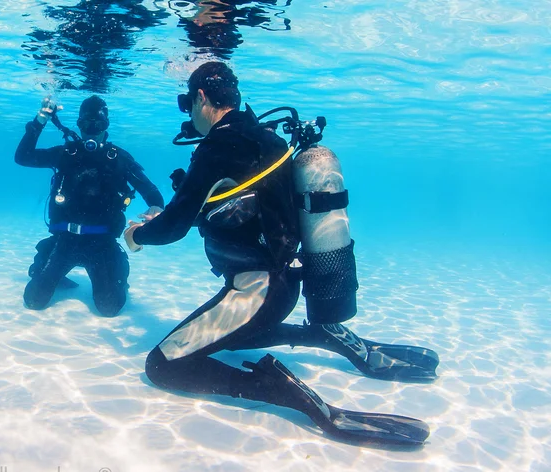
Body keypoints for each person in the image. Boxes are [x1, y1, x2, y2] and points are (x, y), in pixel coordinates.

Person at [123, 61, 438, 446]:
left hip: (255, 293)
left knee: (162, 366)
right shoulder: (265, 139)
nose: (189, 115)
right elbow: (237, 211)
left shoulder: (219, 147)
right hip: (284, 286)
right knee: (229, 340)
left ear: (202, 98)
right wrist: (171, 215)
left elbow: (172, 228)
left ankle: (283, 391)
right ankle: (328, 337)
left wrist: (138, 234)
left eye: (188, 104)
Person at [15, 95, 165, 316]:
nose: (92, 130)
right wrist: (39, 120)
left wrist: (156, 207)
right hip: (65, 241)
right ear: (78, 125)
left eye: (99, 124)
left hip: (101, 244)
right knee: (33, 301)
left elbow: (150, 190)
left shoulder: (119, 159)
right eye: (86, 124)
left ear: (107, 126)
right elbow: (23, 157)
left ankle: (117, 265)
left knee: (110, 308)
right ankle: (47, 256)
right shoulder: (66, 153)